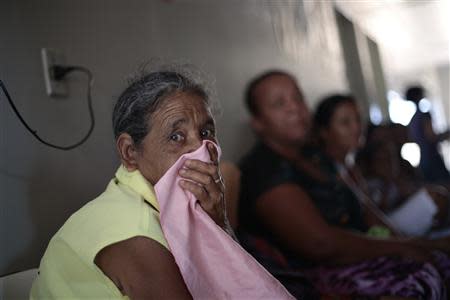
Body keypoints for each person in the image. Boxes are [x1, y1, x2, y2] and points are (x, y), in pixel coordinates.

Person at [30, 67, 291, 299]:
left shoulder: (175, 207)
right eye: (176, 136)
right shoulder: (133, 229)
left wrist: (218, 225)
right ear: (130, 152)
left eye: (206, 132)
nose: (200, 148)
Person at [238, 70, 450, 299]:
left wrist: (411, 242)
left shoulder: (316, 157)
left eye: (298, 97)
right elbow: (321, 245)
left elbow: (364, 210)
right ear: (258, 123)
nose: (294, 107)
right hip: (320, 277)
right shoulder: (263, 170)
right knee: (420, 278)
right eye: (279, 103)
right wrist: (406, 247)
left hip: (363, 252)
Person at [406, 85, 450, 185]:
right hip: (432, 158)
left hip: (424, 159)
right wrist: (446, 134)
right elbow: (431, 137)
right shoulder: (424, 115)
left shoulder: (413, 119)